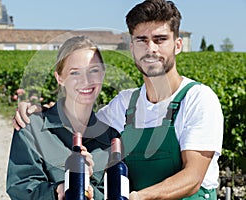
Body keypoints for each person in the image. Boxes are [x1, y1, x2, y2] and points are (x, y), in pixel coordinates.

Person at [13, 0, 223, 199]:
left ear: (178, 45)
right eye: (142, 40)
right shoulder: (124, 104)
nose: (151, 49)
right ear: (132, 48)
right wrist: (41, 112)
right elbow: (79, 122)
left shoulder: (198, 99)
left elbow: (193, 178)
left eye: (160, 39)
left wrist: (139, 197)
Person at [6, 36, 120, 200]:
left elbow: (115, 193)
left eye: (93, 70)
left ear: (102, 74)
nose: (86, 80)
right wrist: (61, 189)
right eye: (75, 72)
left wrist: (88, 188)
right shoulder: (32, 127)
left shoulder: (112, 138)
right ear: (60, 78)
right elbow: (20, 188)